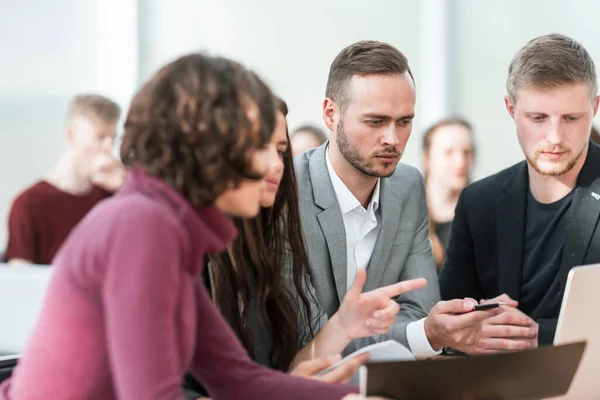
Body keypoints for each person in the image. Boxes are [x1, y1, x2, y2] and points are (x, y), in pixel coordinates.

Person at [0, 53, 361, 400]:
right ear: (206, 146)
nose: (274, 165)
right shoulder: (143, 226)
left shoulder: (167, 230)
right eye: (258, 145)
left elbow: (238, 381)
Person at [184, 98, 427, 399]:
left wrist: (342, 326)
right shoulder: (176, 249)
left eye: (281, 151)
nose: (277, 164)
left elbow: (269, 379)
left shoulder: (252, 247)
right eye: (259, 148)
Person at [295, 40, 503, 358]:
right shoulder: (287, 191)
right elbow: (306, 339)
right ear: (330, 114)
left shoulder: (407, 184)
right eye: (376, 121)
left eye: (404, 121)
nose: (392, 139)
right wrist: (422, 334)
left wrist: (423, 330)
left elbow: (420, 310)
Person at [440, 33, 600, 352]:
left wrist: (533, 334)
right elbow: (449, 324)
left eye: (570, 118)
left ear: (595, 108)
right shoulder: (478, 203)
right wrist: (471, 328)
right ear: (511, 108)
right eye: (538, 118)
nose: (554, 136)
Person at [4, 94, 124, 265]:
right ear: (71, 135)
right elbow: (20, 281)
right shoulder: (29, 204)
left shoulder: (111, 197)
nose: (108, 147)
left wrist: (127, 185)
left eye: (112, 139)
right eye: (100, 137)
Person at [422, 118, 475, 269]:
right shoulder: (407, 215)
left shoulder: (483, 215)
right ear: (428, 158)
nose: (460, 162)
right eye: (448, 152)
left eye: (467, 152)